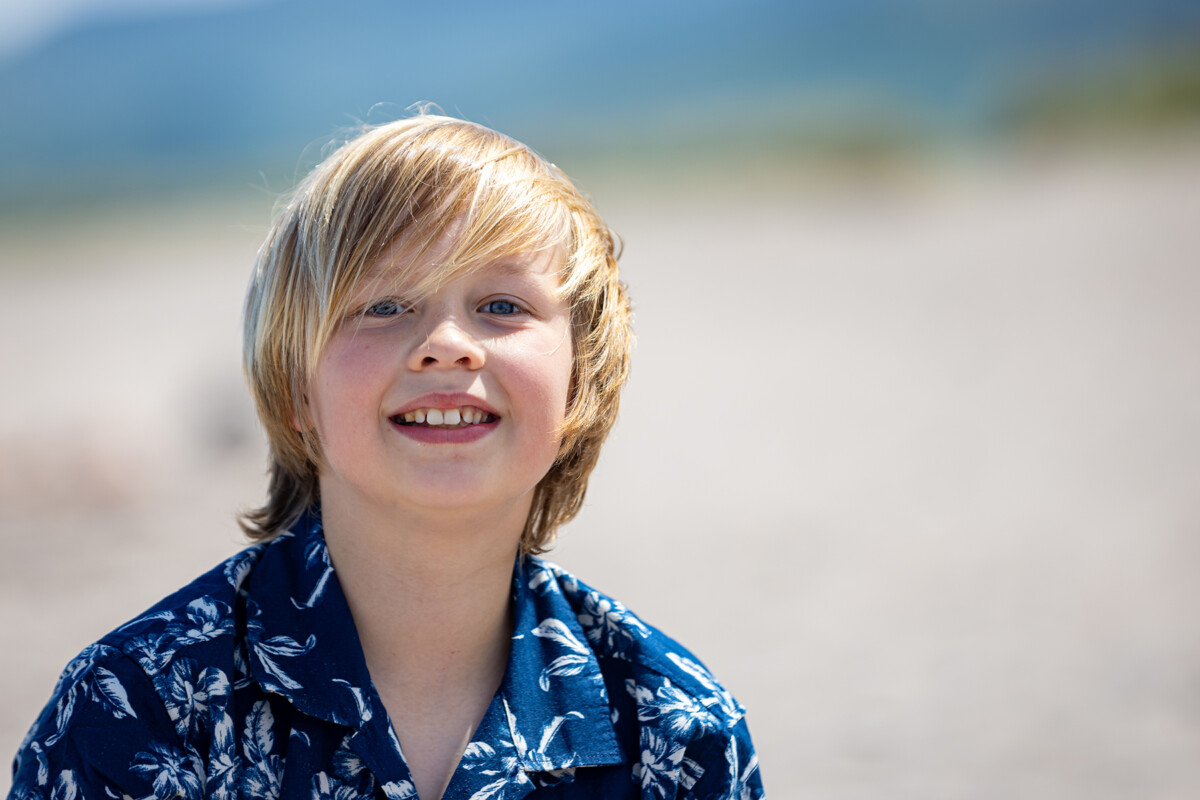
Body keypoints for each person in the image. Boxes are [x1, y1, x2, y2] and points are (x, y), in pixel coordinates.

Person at [9, 114, 763, 800]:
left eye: (501, 305)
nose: (446, 344)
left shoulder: (675, 731)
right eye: (384, 306)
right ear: (295, 387)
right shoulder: (133, 713)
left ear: (577, 387)